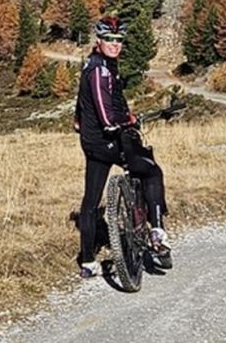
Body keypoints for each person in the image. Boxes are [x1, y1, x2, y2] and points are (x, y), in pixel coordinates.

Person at [73, 15, 170, 279]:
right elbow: (106, 115)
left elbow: (83, 105)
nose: (115, 45)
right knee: (150, 171)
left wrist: (80, 122)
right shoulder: (101, 70)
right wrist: (126, 120)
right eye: (110, 40)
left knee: (91, 200)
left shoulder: (93, 65)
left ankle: (88, 261)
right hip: (108, 140)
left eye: (119, 40)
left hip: (92, 144)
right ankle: (157, 230)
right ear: (99, 41)